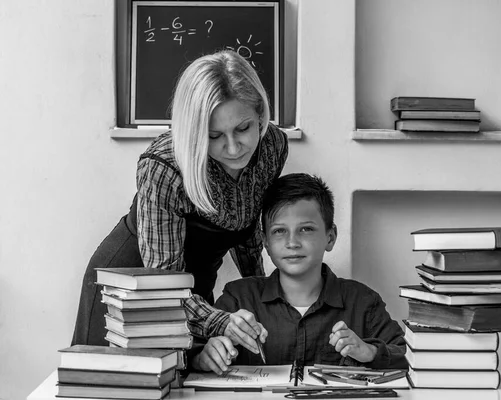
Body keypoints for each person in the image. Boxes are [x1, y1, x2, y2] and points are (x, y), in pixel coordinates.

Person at [71, 50, 288, 355]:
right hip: (130, 288)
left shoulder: (272, 146)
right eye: (214, 135)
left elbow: (247, 225)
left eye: (244, 128)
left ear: (260, 114)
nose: (234, 146)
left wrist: (263, 295)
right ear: (194, 131)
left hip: (194, 288)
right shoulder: (164, 166)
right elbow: (162, 283)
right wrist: (221, 321)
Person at [194, 173, 407, 374]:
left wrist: (370, 352)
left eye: (306, 229)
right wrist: (202, 357)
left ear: (330, 237)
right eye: (279, 231)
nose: (292, 243)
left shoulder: (362, 302)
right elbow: (190, 351)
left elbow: (407, 356)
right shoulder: (238, 298)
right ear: (265, 242)